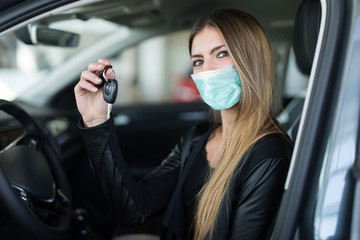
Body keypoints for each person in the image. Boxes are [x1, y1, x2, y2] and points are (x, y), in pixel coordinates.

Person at [74, 8, 293, 240]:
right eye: (198, 61)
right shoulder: (198, 138)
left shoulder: (269, 155)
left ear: (254, 59)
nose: (206, 70)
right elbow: (134, 210)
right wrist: (96, 121)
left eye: (221, 54)